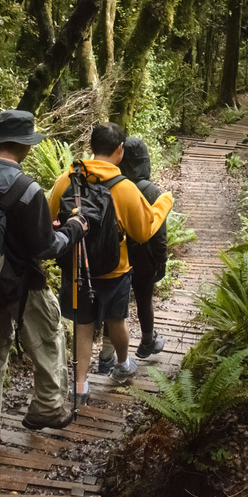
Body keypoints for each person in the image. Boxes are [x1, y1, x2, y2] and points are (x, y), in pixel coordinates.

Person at [0, 109, 87, 448]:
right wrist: (72, 229)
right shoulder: (28, 190)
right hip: (23, 282)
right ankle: (46, 407)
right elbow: (45, 247)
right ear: (25, 145)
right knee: (47, 339)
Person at [48, 122, 173, 404]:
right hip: (115, 269)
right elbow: (143, 231)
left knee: (83, 322)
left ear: (91, 147)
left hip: (77, 266)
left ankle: (80, 385)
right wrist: (164, 202)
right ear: (120, 150)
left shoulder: (65, 180)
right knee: (116, 319)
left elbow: (49, 218)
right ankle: (122, 364)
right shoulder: (124, 188)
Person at [92, 136, 168, 373]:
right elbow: (159, 231)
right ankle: (147, 341)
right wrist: (161, 259)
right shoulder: (150, 190)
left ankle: (106, 355)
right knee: (144, 299)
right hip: (144, 257)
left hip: (117, 255)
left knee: (115, 309)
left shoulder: (114, 184)